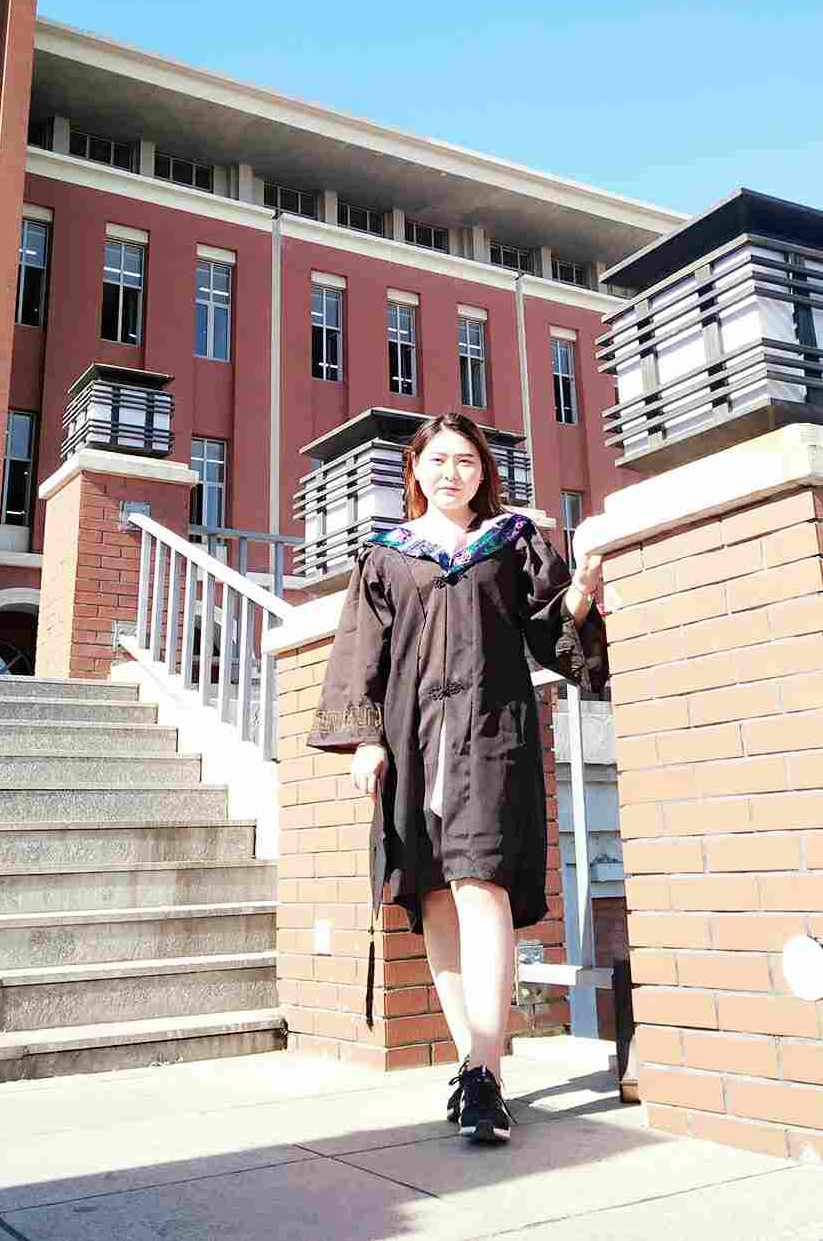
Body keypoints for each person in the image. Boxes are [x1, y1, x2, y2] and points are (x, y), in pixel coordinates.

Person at [305, 412, 609, 1145]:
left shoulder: (511, 541)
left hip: (491, 733)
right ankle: (471, 1066)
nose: (452, 473)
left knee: (481, 884)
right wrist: (365, 740)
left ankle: (487, 1069)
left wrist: (581, 589)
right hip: (413, 740)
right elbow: (362, 652)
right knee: (435, 895)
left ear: (483, 472)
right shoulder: (385, 554)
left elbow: (549, 629)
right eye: (438, 460)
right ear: (414, 470)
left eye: (466, 461)